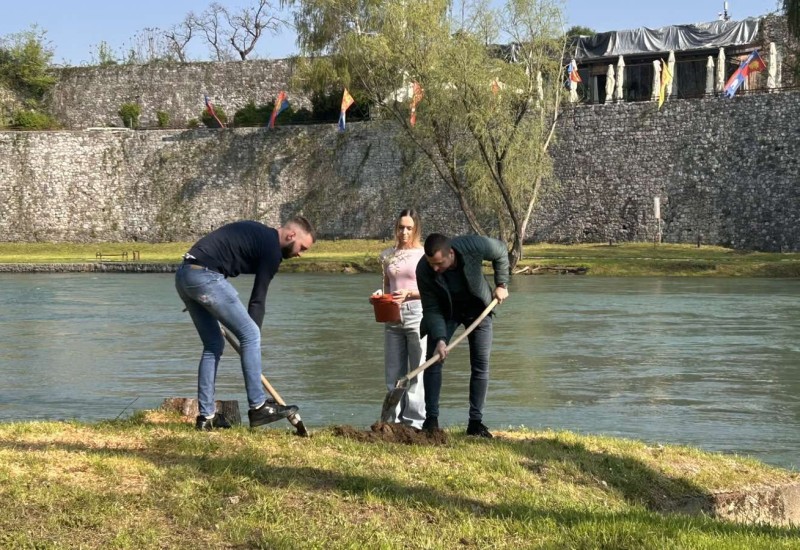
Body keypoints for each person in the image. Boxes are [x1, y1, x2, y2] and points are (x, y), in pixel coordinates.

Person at [175, 217, 316, 431]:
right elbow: (258, 300)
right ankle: (258, 406)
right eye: (302, 247)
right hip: (205, 278)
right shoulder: (272, 250)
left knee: (213, 345)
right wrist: (250, 342)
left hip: (186, 276)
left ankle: (206, 416)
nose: (300, 254)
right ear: (291, 236)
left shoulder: (260, 235)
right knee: (251, 335)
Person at [415, 233, 510, 438]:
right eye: (432, 264)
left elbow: (501, 251)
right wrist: (440, 339)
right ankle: (431, 421)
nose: (435, 269)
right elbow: (431, 309)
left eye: (439, 263)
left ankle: (475, 424)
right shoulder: (424, 269)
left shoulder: (472, 246)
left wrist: (501, 284)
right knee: (433, 360)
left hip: (479, 310)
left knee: (480, 364)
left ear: (451, 253)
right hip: (446, 312)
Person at [371, 209, 427, 429]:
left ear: (416, 230)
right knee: (393, 371)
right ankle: (391, 422)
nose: (404, 232)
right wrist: (378, 297)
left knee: (417, 371)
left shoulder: (423, 255)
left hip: (417, 313)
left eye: (409, 228)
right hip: (391, 315)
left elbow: (432, 290)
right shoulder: (387, 255)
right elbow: (387, 286)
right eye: (400, 227)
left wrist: (410, 294)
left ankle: (414, 423)